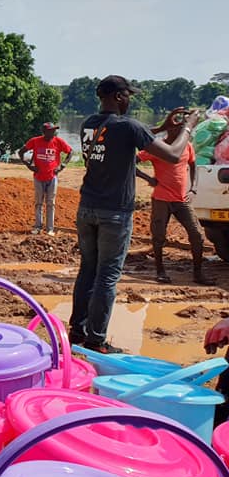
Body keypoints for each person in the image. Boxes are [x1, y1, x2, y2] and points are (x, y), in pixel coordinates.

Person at [69, 75, 200, 354]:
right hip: (114, 214)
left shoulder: (89, 123)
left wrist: (162, 128)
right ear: (118, 96)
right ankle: (96, 340)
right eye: (128, 95)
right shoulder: (129, 126)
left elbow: (127, 136)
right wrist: (188, 128)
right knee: (107, 277)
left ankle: (77, 332)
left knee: (87, 271)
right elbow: (175, 155)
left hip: (87, 208)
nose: (130, 100)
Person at [136, 130, 214, 285]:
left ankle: (198, 274)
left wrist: (193, 189)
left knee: (197, 234)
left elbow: (193, 165)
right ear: (169, 129)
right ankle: (160, 272)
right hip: (161, 199)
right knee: (159, 237)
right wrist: (148, 178)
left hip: (181, 200)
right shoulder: (158, 147)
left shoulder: (187, 146)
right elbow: (130, 162)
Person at [18, 122, 73, 236]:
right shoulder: (35, 141)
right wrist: (28, 165)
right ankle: (38, 227)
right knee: (38, 203)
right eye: (51, 130)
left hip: (52, 177)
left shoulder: (58, 141)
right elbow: (21, 152)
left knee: (50, 203)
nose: (53, 132)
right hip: (38, 177)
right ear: (44, 132)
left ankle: (49, 229)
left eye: (54, 130)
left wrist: (62, 165)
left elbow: (70, 152)